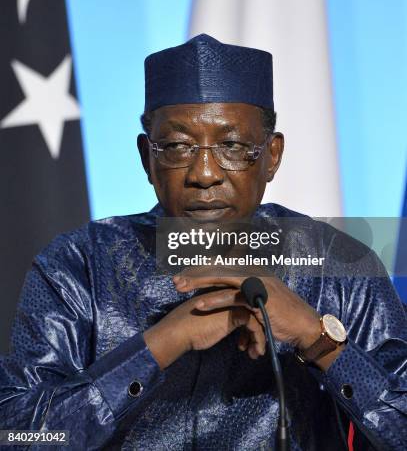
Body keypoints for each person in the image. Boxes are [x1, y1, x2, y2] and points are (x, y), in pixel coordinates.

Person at [0, 33, 406, 450]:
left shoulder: (340, 264)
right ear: (147, 159)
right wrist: (162, 343)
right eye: (177, 147)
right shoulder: (79, 265)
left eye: (232, 146)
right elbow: (16, 436)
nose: (205, 173)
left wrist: (313, 336)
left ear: (272, 156)